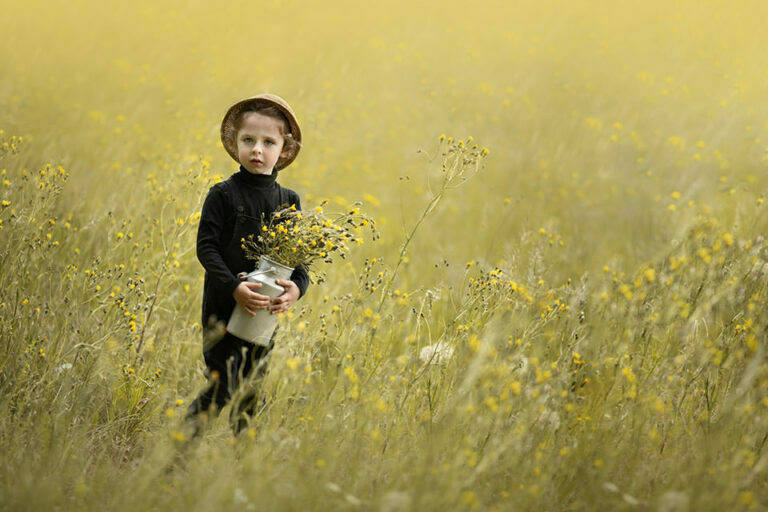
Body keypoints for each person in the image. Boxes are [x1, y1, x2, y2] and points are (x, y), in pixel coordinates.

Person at [186, 93, 309, 435]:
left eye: (268, 142)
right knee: (223, 384)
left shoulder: (289, 201)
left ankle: (243, 461)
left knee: (253, 386)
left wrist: (296, 290)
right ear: (235, 143)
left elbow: (299, 261)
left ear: (284, 149)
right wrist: (234, 287)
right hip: (225, 307)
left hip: (264, 315)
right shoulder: (222, 195)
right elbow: (206, 248)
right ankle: (178, 451)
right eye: (248, 140)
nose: (257, 149)